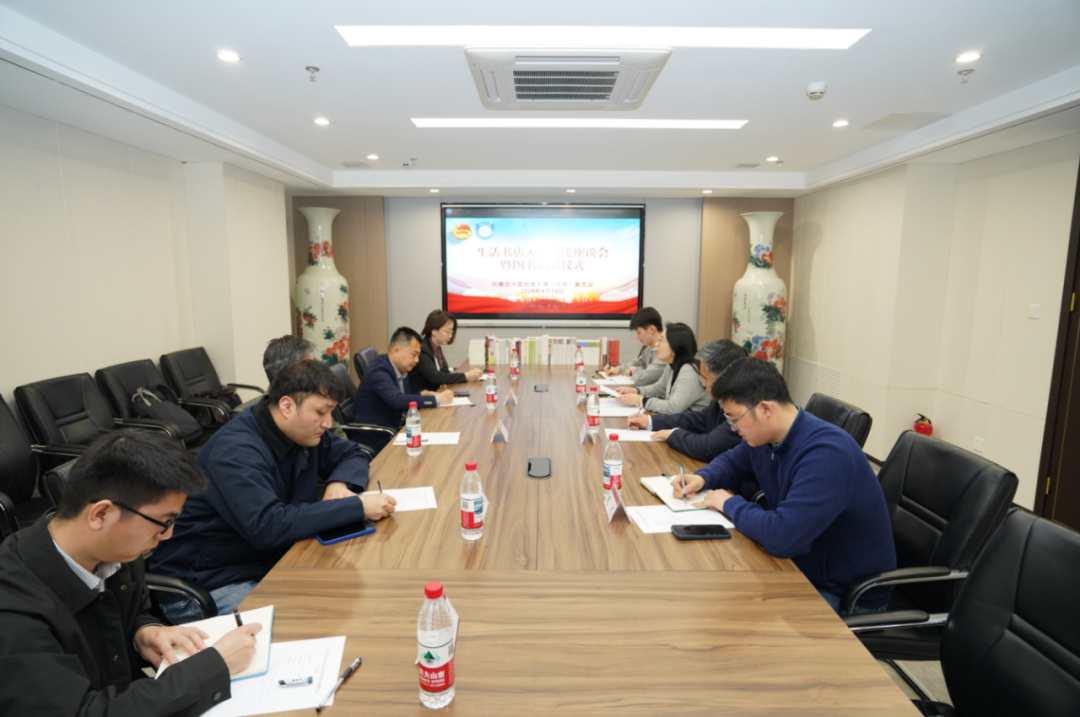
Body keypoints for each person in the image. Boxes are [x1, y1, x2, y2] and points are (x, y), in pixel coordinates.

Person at [0, 430, 263, 717]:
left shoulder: (115, 550)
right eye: (163, 522)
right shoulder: (13, 610)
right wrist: (214, 667)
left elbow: (132, 613)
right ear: (101, 514)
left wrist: (143, 632)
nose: (167, 535)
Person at [149, 360, 396, 624]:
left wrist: (338, 483)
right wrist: (357, 507)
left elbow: (352, 453)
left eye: (331, 413)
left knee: (352, 599)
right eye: (321, 412)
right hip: (208, 580)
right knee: (302, 626)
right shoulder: (235, 450)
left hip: (261, 560)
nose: (328, 423)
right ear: (287, 406)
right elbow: (269, 527)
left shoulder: (301, 431)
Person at [671, 357, 896, 615]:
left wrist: (729, 504)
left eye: (735, 419)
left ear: (765, 409)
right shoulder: (767, 436)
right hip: (802, 564)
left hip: (844, 592)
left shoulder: (827, 453)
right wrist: (702, 478)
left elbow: (783, 537)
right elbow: (733, 461)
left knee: (737, 615)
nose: (733, 428)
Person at [627, 339, 747, 462]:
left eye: (705, 378)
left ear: (724, 378)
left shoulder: (742, 410)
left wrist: (673, 434)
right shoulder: (719, 400)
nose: (702, 383)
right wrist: (649, 421)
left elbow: (708, 448)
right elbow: (694, 420)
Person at [352, 327, 454, 454]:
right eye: (414, 354)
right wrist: (436, 399)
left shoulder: (400, 368)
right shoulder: (378, 371)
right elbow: (397, 400)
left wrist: (422, 394)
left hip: (397, 429)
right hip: (379, 437)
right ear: (396, 351)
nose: (417, 360)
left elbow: (404, 397)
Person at [262, 335, 347, 439]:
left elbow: (336, 435)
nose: (315, 371)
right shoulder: (266, 424)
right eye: (309, 367)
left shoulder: (311, 392)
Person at [615, 322, 710, 415]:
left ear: (675, 347)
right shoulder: (671, 366)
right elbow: (658, 390)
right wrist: (636, 391)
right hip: (677, 422)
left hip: (693, 425)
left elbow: (673, 407)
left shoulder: (689, 371)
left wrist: (640, 400)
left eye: (661, 340)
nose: (657, 344)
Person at [410, 309, 483, 393]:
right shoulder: (423, 350)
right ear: (434, 331)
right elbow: (436, 377)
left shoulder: (436, 347)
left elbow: (445, 373)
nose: (450, 336)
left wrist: (466, 375)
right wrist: (466, 376)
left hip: (437, 393)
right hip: (423, 397)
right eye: (447, 331)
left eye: (451, 332)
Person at [604, 306, 666, 387]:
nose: (637, 336)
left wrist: (634, 370)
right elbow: (637, 363)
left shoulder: (665, 353)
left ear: (652, 329)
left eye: (639, 332)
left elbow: (642, 379)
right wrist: (617, 370)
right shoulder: (648, 349)